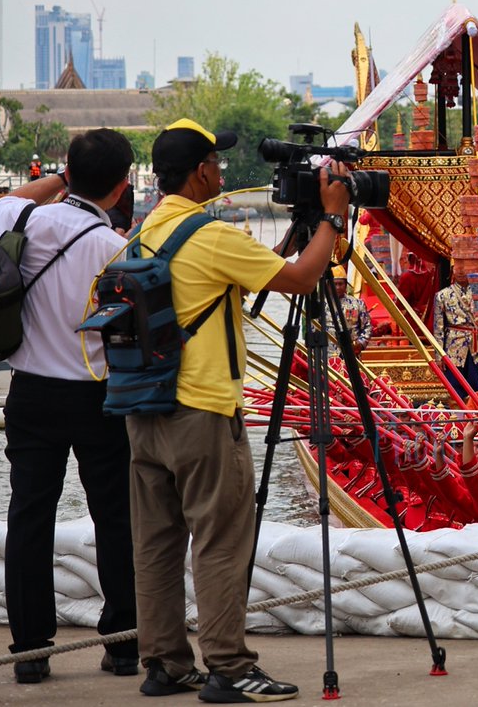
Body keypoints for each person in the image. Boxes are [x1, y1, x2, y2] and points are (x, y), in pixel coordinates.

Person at [126, 117, 349, 702]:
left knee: (156, 544)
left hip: (143, 412)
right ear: (201, 172)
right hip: (201, 413)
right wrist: (330, 217)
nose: (221, 173)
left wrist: (292, 240)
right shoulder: (209, 236)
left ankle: (165, 663)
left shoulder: (144, 233)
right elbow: (303, 278)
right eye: (216, 166)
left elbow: (238, 281)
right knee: (221, 541)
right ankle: (228, 664)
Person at [0, 129, 138, 683]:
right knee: (116, 517)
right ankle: (123, 644)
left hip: (28, 389)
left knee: (29, 514)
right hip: (97, 393)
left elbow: (14, 198)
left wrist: (60, 179)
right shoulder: (114, 248)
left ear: (67, 176)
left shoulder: (24, 221)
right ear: (124, 185)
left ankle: (30, 650)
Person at [433, 264, 478, 395]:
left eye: (464, 268)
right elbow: (438, 328)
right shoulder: (442, 296)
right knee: (456, 387)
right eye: (457, 269)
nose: (461, 272)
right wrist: (439, 356)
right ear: (452, 272)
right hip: (453, 345)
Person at [330, 266, 372, 358]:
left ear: (345, 285)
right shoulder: (322, 305)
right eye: (335, 284)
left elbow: (367, 327)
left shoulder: (357, 304)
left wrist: (360, 344)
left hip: (351, 353)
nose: (337, 287)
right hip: (328, 355)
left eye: (340, 284)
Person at [396, 251, 436, 323]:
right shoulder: (431, 274)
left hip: (413, 318)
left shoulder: (407, 277)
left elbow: (401, 303)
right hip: (430, 316)